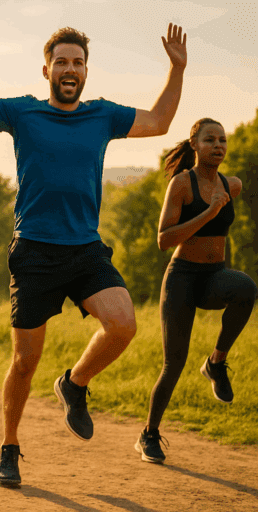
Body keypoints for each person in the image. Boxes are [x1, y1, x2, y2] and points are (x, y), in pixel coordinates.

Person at [0, 3, 188, 486]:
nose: (70, 69)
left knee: (123, 324)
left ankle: (75, 382)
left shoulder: (103, 116)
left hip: (85, 248)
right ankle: (10, 445)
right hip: (35, 251)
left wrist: (177, 68)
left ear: (86, 71)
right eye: (61, 62)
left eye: (77, 62)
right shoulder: (23, 111)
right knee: (24, 361)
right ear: (47, 69)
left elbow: (161, 121)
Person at [135, 119, 257, 464]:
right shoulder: (181, 185)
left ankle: (216, 364)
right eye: (210, 140)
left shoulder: (230, 184)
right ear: (195, 144)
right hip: (183, 279)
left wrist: (221, 262)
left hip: (213, 276)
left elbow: (222, 232)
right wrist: (210, 211)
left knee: (246, 288)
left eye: (223, 139)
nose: (218, 145)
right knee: (173, 363)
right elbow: (163, 240)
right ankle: (149, 434)